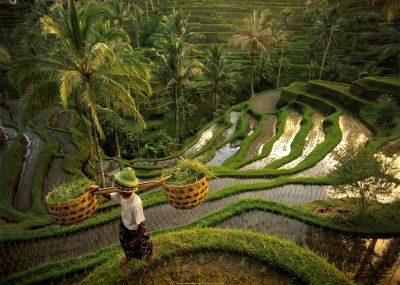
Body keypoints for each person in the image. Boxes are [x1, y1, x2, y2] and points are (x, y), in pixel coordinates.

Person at [90, 167, 156, 270]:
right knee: (125, 244)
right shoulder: (121, 194)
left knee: (141, 243)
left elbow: (141, 223)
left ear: (126, 190)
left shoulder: (136, 203)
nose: (117, 190)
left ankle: (152, 251)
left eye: (119, 189)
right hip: (124, 224)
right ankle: (128, 258)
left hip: (136, 228)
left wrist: (137, 237)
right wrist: (98, 190)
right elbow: (109, 196)